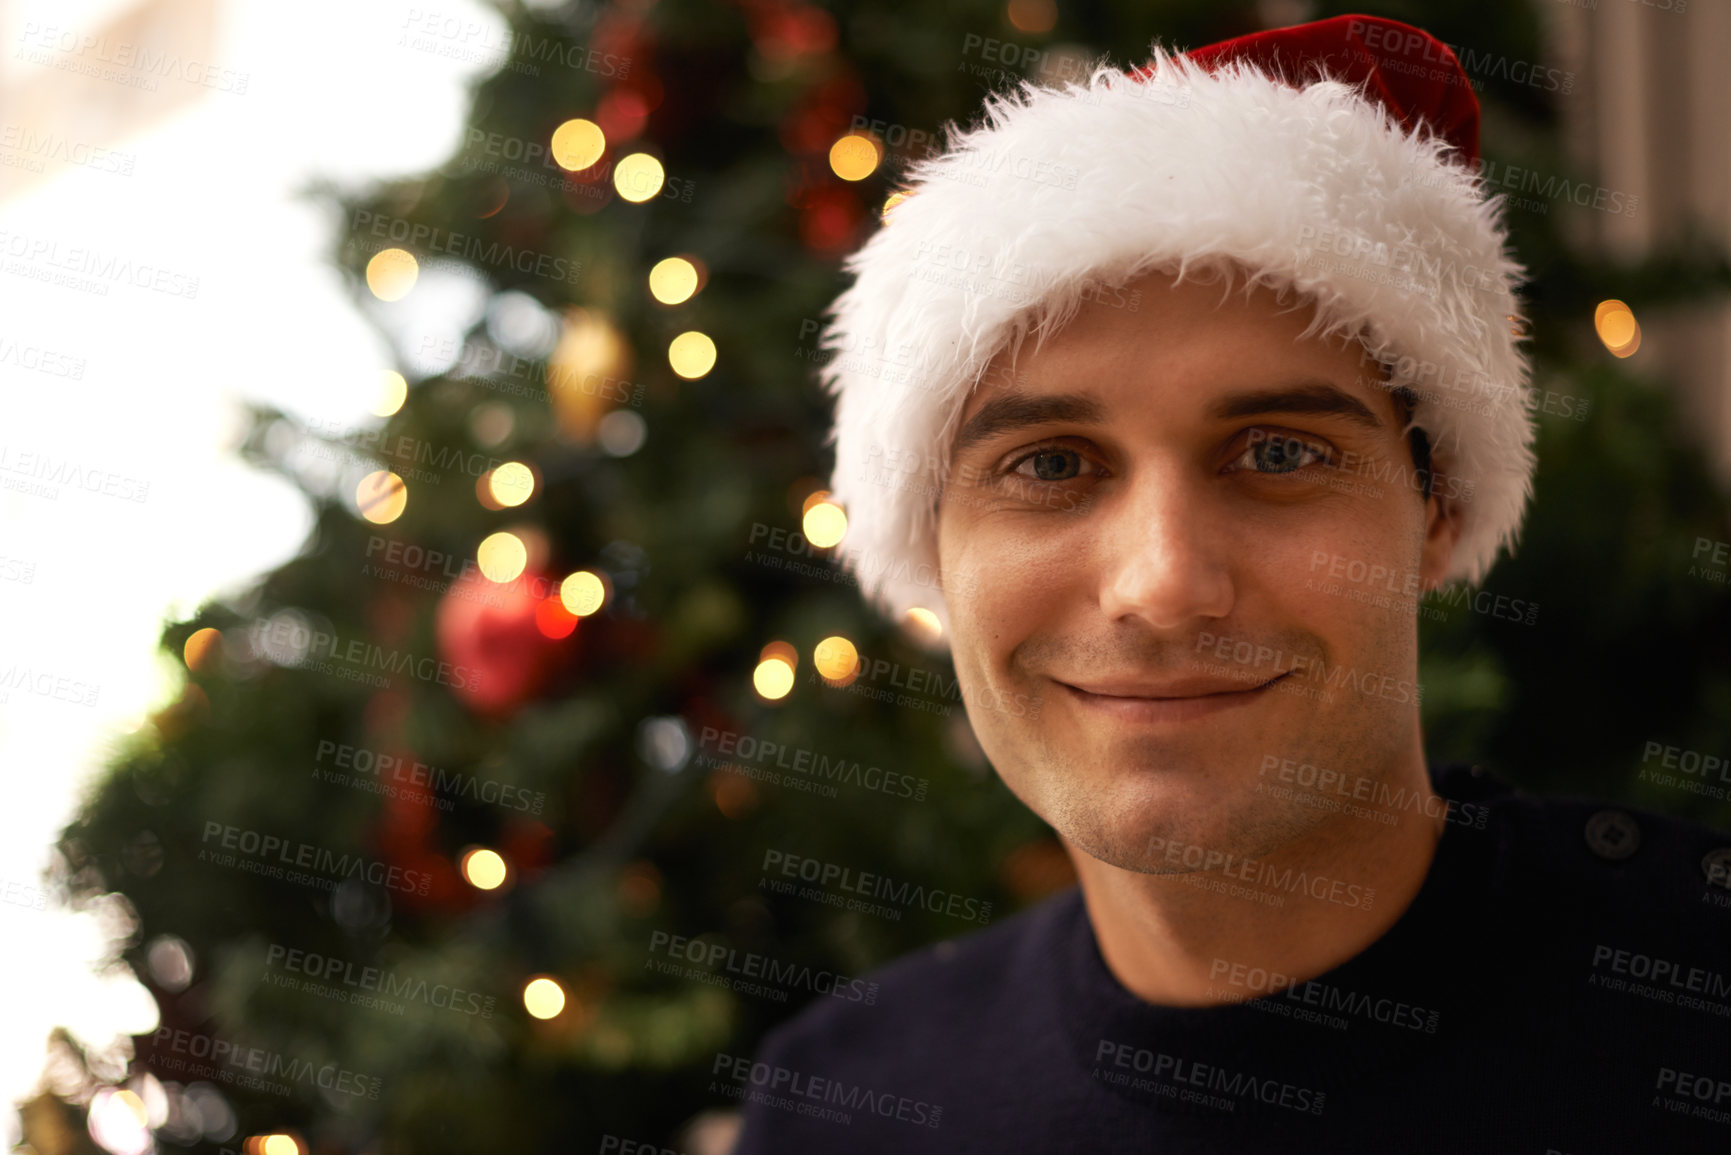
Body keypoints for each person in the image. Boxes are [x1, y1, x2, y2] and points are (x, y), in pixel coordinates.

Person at [730, 14, 1730, 1154]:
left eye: (1279, 453)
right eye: (1049, 466)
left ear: (1436, 512)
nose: (1162, 584)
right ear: (931, 551)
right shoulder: (839, 1105)